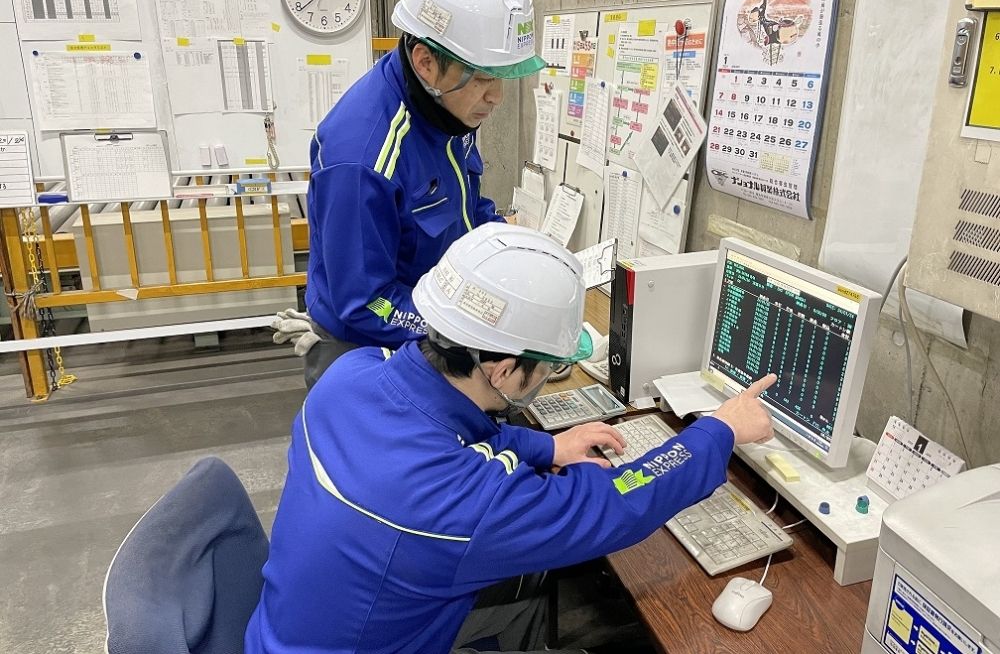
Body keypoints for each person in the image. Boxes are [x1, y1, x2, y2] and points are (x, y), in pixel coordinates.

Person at [246, 223, 777, 654]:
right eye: (545, 368)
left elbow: (448, 439)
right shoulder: (463, 509)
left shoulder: (350, 375)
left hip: (290, 632)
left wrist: (548, 447)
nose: (546, 378)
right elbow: (618, 500)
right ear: (500, 370)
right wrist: (719, 430)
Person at [303, 0, 546, 389]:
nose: (497, 98)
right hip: (369, 352)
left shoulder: (444, 107)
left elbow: (462, 204)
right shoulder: (362, 161)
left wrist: (510, 249)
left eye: (504, 79)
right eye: (486, 80)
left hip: (434, 324)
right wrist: (462, 335)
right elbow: (366, 303)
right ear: (426, 62)